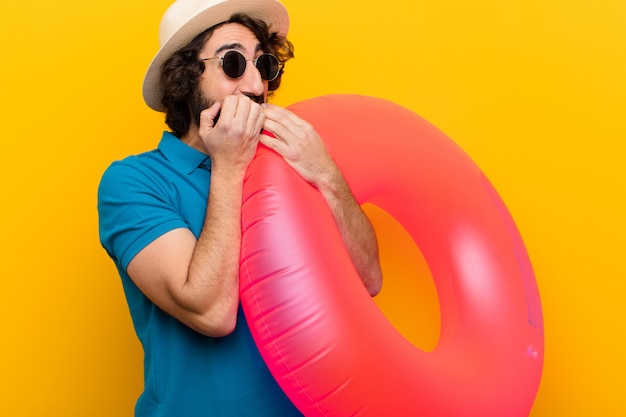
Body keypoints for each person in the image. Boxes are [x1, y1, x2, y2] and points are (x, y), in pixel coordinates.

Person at [98, 0, 382, 415]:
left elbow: (369, 280)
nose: (255, 85)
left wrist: (327, 175)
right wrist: (228, 168)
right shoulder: (134, 182)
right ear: (185, 77)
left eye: (265, 66)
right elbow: (212, 312)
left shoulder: (290, 167)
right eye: (233, 63)